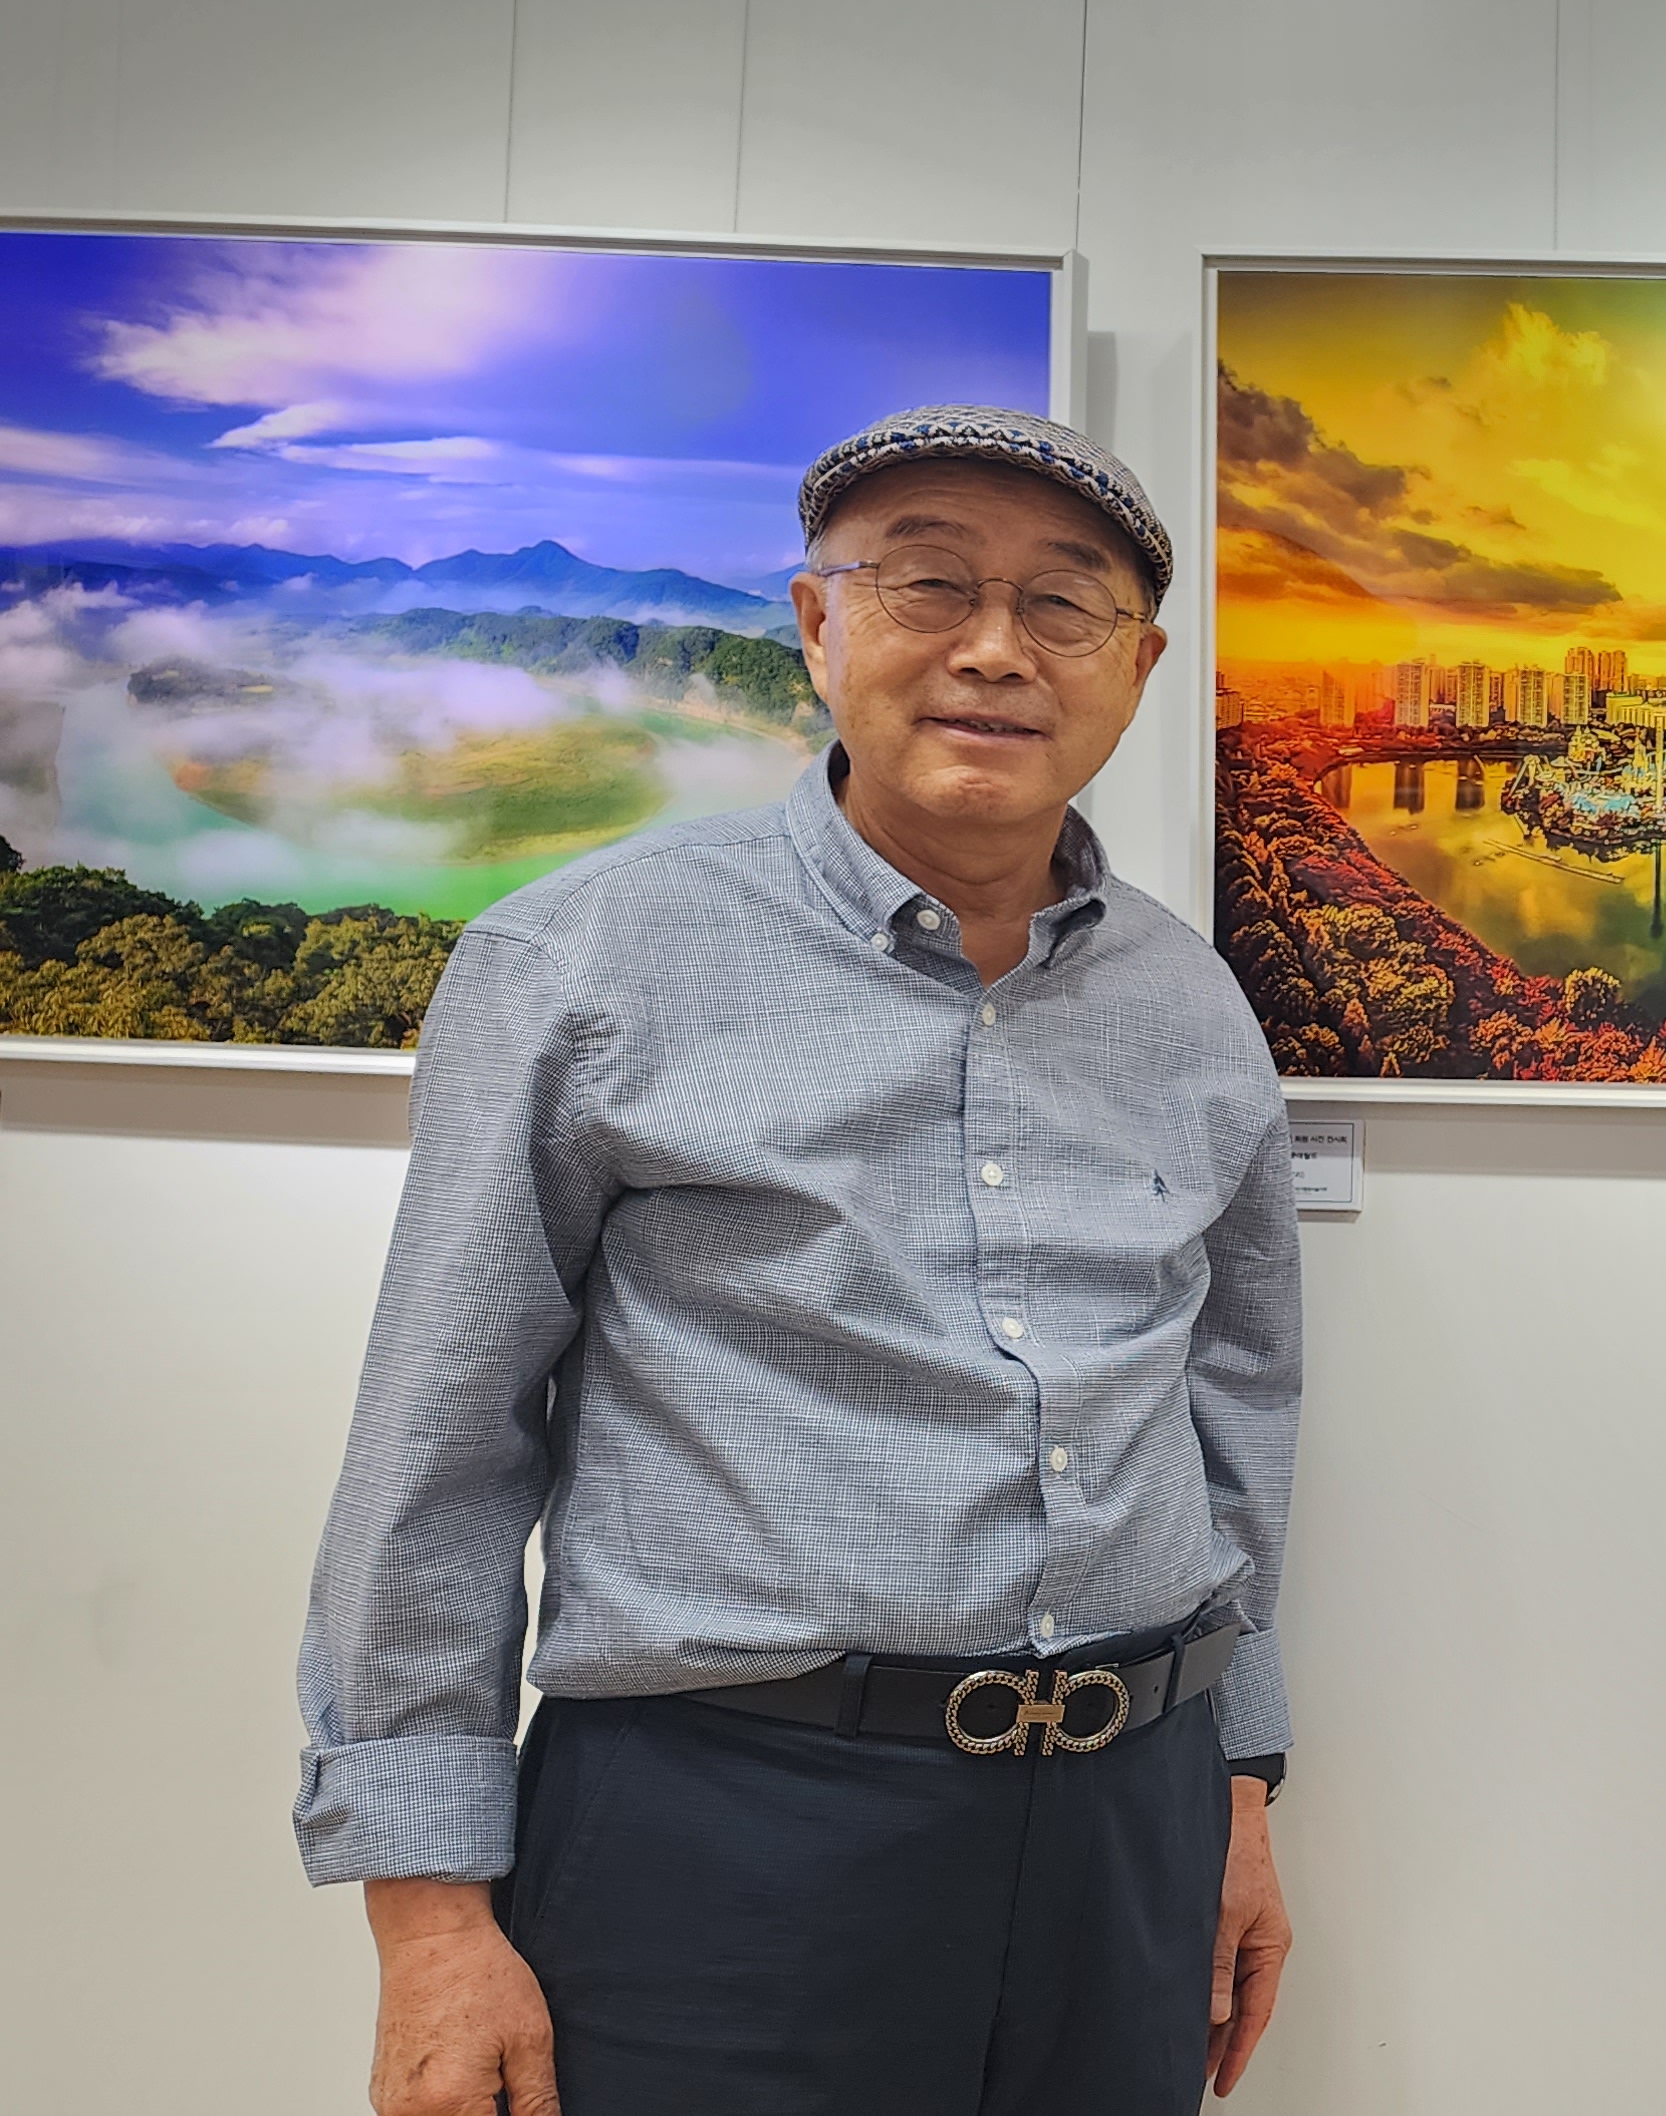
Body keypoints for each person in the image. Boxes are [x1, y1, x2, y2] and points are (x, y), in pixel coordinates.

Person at [293, 407, 1307, 2116]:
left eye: (1063, 604)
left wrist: (1238, 1786)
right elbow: (440, 1449)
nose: (995, 650)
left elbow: (1234, 1416)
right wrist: (430, 1918)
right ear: (819, 623)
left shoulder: (1191, 1002)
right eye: (930, 584)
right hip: (726, 1828)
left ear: (1136, 669)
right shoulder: (584, 960)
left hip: (1131, 1822)